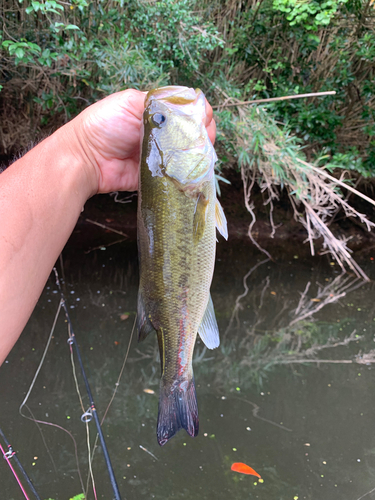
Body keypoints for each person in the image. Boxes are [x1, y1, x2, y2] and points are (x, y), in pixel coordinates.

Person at [0, 89, 216, 366]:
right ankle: (178, 374)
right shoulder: (192, 186)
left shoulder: (188, 184)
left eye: (158, 119)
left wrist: (85, 152)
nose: (160, 115)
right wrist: (83, 150)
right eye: (160, 119)